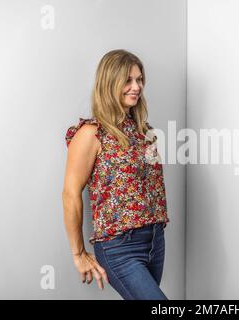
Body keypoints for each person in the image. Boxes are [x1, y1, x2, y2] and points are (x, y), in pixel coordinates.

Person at [62, 49, 170, 300]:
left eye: (140, 79)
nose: (136, 87)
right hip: (120, 247)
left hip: (155, 240)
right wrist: (78, 254)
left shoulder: (145, 132)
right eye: (128, 80)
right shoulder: (91, 133)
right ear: (109, 82)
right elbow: (70, 193)